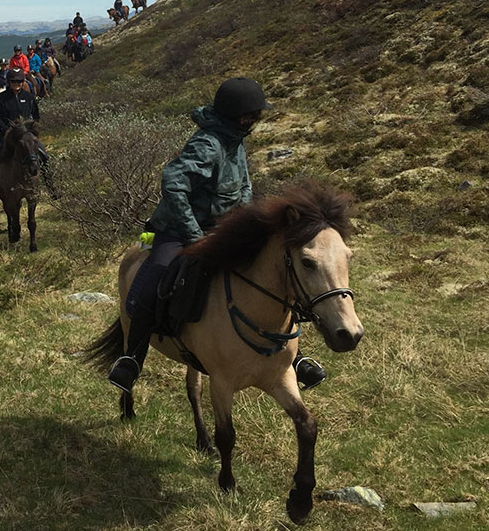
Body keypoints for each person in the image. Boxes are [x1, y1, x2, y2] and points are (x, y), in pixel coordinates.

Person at [106, 77, 327, 393]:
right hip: (179, 230)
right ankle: (132, 359)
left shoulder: (236, 138)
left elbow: (244, 184)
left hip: (222, 227)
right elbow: (173, 182)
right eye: (251, 114)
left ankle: (294, 357)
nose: (255, 119)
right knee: (152, 283)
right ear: (238, 115)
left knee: (276, 270)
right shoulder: (208, 145)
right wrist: (194, 235)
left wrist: (249, 224)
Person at [0, 69, 40, 198]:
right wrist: (6, 130)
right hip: (8, 135)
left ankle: (51, 185)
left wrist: (31, 130)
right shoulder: (2, 98)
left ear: (23, 82)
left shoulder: (28, 97)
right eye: (13, 81)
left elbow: (36, 116)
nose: (16, 83)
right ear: (9, 82)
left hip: (26, 135)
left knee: (44, 155)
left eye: (19, 81)